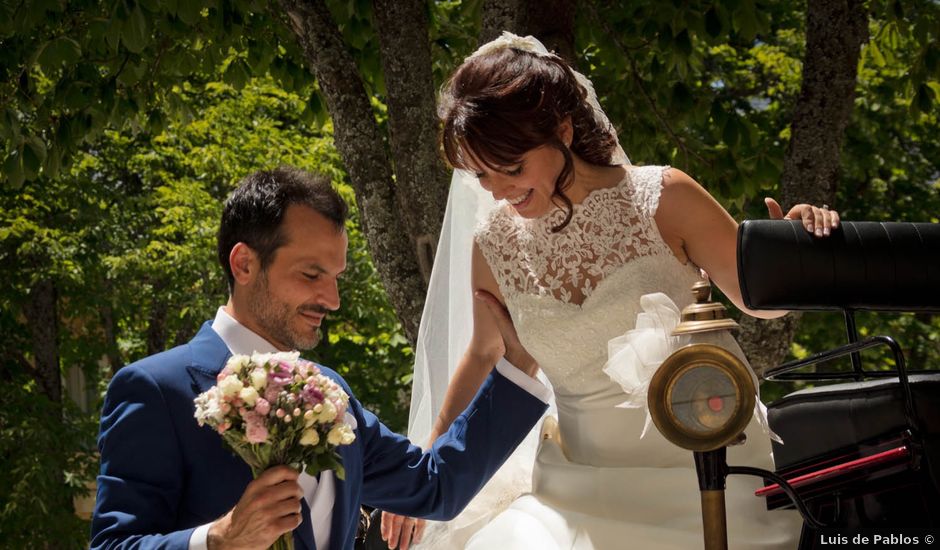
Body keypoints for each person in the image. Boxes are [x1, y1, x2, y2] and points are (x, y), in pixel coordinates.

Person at [383, 33, 841, 549]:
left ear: (562, 130)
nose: (496, 190)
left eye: (511, 169)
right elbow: (486, 354)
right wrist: (425, 464)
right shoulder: (493, 245)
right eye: (482, 175)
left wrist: (794, 251)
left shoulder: (664, 197)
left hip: (706, 462)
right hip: (573, 486)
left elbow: (760, 303)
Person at [89, 167, 550, 550]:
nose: (331, 300)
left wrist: (518, 366)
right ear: (244, 264)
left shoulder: (329, 392)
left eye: (336, 277)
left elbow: (436, 487)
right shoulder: (155, 389)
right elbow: (113, 544)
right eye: (312, 274)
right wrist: (217, 540)